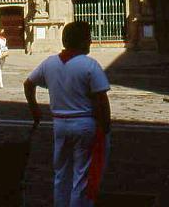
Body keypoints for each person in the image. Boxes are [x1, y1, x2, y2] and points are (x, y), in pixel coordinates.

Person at [24, 21, 111, 207]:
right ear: (82, 41)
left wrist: (35, 110)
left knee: (61, 173)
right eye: (88, 38)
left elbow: (28, 84)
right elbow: (101, 100)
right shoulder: (90, 65)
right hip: (84, 124)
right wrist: (106, 126)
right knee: (82, 175)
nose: (90, 41)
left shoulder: (49, 63)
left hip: (60, 124)